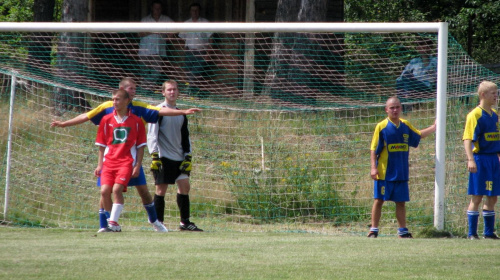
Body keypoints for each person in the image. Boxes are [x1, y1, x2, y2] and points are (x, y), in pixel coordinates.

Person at [51, 78, 200, 232]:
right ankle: (106, 225)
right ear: (121, 90)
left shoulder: (138, 109)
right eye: (130, 89)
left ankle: (155, 221)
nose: (133, 92)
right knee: (105, 191)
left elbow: (159, 111)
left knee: (143, 191)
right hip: (111, 160)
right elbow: (86, 116)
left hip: (131, 159)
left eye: (135, 89)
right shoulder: (107, 108)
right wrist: (64, 123)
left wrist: (182, 111)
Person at [368, 96, 436, 238]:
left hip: (401, 172)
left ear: (401, 108)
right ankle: (373, 229)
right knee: (379, 200)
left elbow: (418, 135)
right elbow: (374, 149)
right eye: (392, 108)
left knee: (401, 202)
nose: (395, 110)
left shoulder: (405, 125)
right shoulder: (381, 127)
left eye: (397, 107)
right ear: (386, 110)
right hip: (385, 172)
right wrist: (373, 168)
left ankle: (402, 231)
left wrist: (434, 127)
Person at [147, 80, 203, 231]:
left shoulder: (181, 113)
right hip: (163, 157)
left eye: (175, 89)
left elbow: (185, 136)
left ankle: (185, 223)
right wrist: (154, 155)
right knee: (160, 190)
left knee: (185, 186)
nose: (172, 92)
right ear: (163, 92)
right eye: (169, 90)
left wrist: (188, 156)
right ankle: (158, 223)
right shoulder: (157, 111)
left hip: (179, 157)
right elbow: (152, 135)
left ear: (178, 92)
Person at [94, 89, 146, 232]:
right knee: (104, 192)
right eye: (113, 99)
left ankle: (112, 223)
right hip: (109, 162)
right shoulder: (106, 120)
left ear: (126, 101)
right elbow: (101, 145)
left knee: (117, 190)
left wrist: (137, 165)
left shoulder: (136, 121)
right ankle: (113, 223)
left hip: (126, 162)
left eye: (117, 99)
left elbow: (141, 146)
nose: (114, 102)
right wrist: (99, 165)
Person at [463, 81, 500, 240]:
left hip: (493, 159)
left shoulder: (495, 115)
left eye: (496, 93)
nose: (496, 96)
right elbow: (467, 139)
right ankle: (472, 233)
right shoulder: (474, 115)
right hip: (480, 159)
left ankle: (489, 232)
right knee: (477, 196)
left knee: (492, 196)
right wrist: (470, 159)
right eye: (493, 93)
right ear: (483, 95)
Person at [178, 3, 213, 93]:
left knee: (195, 73)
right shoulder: (186, 23)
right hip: (189, 52)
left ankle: (190, 92)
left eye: (196, 10)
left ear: (199, 11)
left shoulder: (205, 23)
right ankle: (193, 93)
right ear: (190, 11)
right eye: (193, 10)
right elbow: (181, 38)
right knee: (189, 73)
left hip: (201, 52)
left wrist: (208, 53)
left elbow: (211, 39)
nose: (195, 12)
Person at [138, 1, 174, 86]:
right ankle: (147, 92)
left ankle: (143, 90)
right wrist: (153, 31)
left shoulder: (166, 19)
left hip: (158, 51)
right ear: (152, 8)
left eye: (159, 8)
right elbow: (139, 33)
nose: (157, 10)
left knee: (156, 73)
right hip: (144, 51)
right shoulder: (145, 20)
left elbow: (176, 29)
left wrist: (169, 35)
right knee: (144, 73)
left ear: (161, 9)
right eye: (155, 8)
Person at [396, 38, 437, 111]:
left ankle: (406, 108)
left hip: (428, 88)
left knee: (406, 80)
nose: (424, 48)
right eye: (421, 45)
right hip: (412, 87)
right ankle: (403, 107)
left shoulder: (436, 61)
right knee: (401, 80)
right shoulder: (414, 61)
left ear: (430, 47)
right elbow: (403, 76)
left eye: (426, 45)